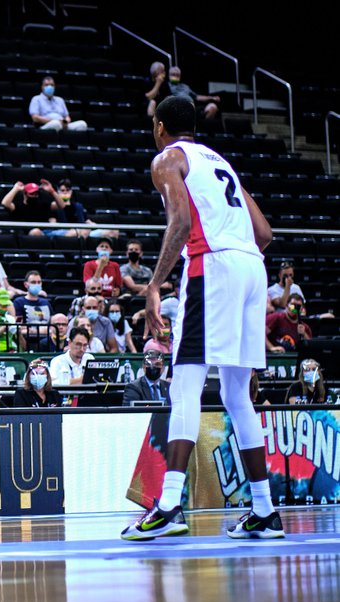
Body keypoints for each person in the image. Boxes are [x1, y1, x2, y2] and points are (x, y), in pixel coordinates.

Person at [121, 96, 282, 541]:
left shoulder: (167, 158)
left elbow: (180, 221)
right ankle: (265, 512)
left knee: (186, 382)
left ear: (159, 127)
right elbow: (265, 233)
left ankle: (169, 504)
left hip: (213, 265)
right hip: (253, 266)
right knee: (236, 395)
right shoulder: (221, 163)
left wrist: (153, 285)